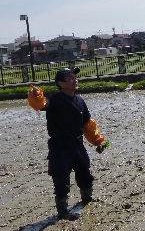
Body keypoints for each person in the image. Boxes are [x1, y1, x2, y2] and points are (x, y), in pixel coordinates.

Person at [38, 68, 108, 221]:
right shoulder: (54, 99)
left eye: (75, 77)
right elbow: (40, 104)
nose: (74, 80)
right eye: (70, 78)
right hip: (59, 146)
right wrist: (36, 96)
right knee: (61, 178)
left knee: (84, 171)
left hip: (77, 143)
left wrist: (98, 141)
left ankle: (87, 198)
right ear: (60, 83)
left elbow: (88, 125)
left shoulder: (80, 101)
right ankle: (63, 211)